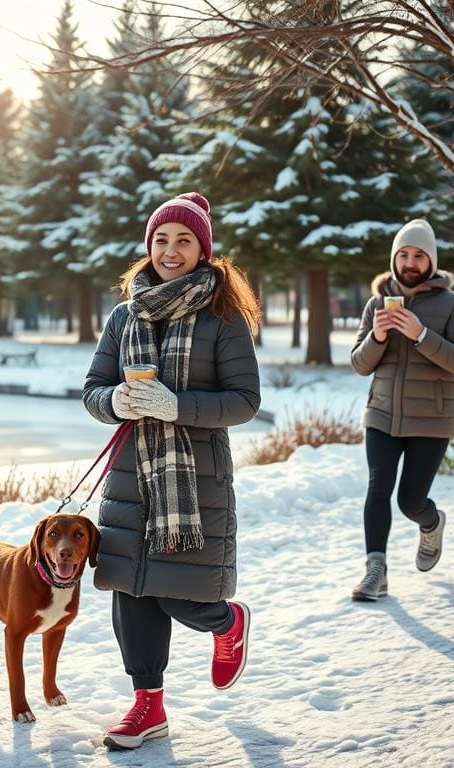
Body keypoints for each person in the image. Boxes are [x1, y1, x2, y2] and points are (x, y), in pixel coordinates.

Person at [82, 192, 261, 750]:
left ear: (203, 250)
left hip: (195, 479)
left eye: (184, 240)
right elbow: (92, 391)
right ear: (148, 247)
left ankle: (228, 624)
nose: (171, 249)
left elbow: (244, 401)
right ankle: (147, 707)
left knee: (178, 593)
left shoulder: (222, 318)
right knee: (132, 589)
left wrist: (174, 405)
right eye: (161, 239)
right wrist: (117, 402)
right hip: (131, 474)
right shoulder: (123, 316)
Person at [350, 219, 454, 601]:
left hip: (431, 420)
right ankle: (376, 571)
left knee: (411, 501)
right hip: (382, 414)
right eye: (403, 254)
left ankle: (431, 522)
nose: (409, 261)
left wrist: (421, 334)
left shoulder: (453, 305)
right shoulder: (377, 303)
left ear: (431, 261)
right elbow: (359, 363)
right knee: (377, 488)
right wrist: (379, 335)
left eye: (418, 255)